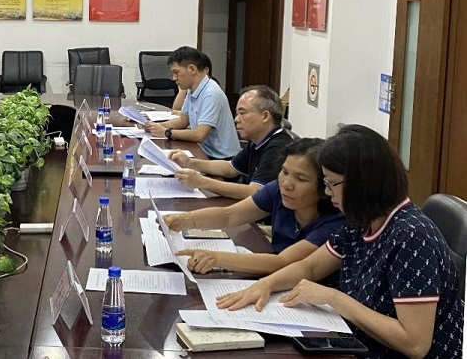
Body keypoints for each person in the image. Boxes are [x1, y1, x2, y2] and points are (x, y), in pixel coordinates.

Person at [216, 125, 463, 358]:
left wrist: (334, 298)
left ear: (361, 182)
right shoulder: (361, 221)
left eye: (331, 183)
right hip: (356, 344)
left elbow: (415, 344)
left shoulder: (411, 236)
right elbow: (311, 267)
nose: (327, 192)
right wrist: (266, 285)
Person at [165, 138, 344, 275]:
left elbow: (282, 262)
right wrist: (184, 219)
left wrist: (217, 258)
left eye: (301, 179)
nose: (287, 184)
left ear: (325, 186)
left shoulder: (336, 222)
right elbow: (230, 215)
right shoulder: (278, 189)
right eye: (284, 172)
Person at [169, 85, 292, 200]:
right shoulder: (258, 140)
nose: (236, 119)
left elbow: (255, 192)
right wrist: (190, 162)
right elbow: (230, 168)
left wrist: (201, 182)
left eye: (242, 113)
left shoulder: (278, 147)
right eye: (237, 113)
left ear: (265, 116)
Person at [145, 47, 240, 160]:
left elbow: (200, 135)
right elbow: (183, 120)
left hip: (221, 158)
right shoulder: (193, 89)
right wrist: (156, 126)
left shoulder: (211, 93)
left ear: (192, 69)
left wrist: (166, 132)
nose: (174, 78)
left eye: (176, 72)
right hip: (204, 150)